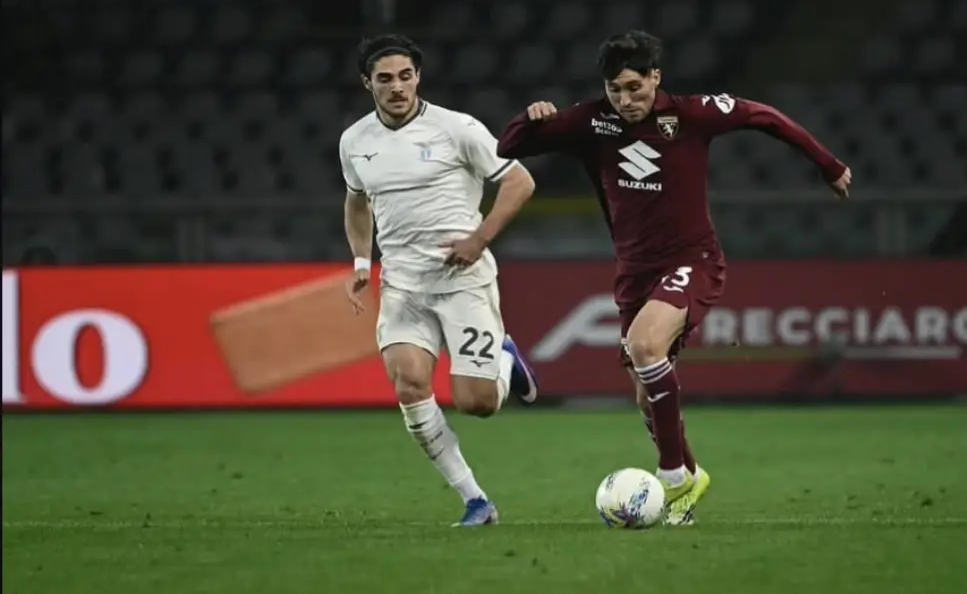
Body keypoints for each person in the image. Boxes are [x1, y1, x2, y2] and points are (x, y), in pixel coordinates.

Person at [497, 30, 851, 525]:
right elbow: (507, 146)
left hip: (693, 259)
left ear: (655, 77)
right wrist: (528, 117)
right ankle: (689, 474)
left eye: (634, 88)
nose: (625, 100)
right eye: (615, 89)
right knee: (645, 391)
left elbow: (764, 116)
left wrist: (827, 164)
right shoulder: (590, 121)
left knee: (645, 347)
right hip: (633, 274)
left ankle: (672, 477)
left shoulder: (690, 114)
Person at [339, 34, 541, 527]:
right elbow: (356, 201)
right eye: (384, 79)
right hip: (405, 286)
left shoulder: (457, 129)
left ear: (418, 78)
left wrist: (479, 239)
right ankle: (475, 499)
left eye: (405, 76)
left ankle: (502, 355)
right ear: (367, 83)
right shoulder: (354, 141)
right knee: (409, 383)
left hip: (463, 280)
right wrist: (362, 264)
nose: (397, 87)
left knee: (477, 404)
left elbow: (520, 181)